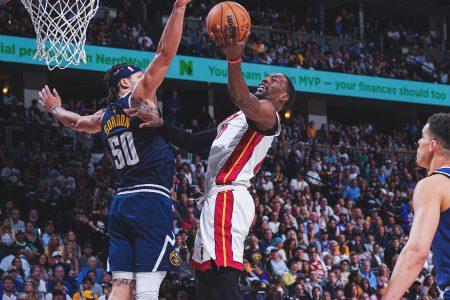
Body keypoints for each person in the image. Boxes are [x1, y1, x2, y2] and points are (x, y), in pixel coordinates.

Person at [126, 22, 296, 300]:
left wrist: (234, 58)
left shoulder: (268, 115)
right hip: (216, 199)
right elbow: (192, 142)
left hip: (230, 197)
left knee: (221, 280)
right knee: (205, 280)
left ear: (283, 97)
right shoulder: (234, 120)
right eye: (268, 76)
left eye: (275, 79)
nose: (268, 78)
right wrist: (161, 125)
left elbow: (241, 97)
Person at [37, 0, 191, 298]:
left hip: (120, 203)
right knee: (148, 284)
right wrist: (180, 7)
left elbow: (78, 122)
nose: (145, 79)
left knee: (121, 283)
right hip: (150, 198)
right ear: (125, 82)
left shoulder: (104, 115)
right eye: (138, 76)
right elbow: (164, 54)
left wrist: (55, 108)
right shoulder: (137, 99)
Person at [384, 113, 450, 299]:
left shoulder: (434, 184)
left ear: (432, 145)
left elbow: (416, 252)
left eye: (423, 136)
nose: (418, 141)